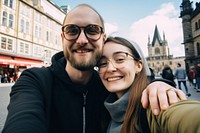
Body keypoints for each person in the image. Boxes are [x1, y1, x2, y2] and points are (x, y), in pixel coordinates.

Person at [2, 4, 186, 133]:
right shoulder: (34, 80)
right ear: (62, 38)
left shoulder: (108, 86)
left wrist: (158, 84)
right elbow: (22, 121)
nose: (82, 40)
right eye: (72, 30)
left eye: (92, 30)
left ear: (102, 38)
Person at [97, 36, 200, 133]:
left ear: (138, 65)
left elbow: (186, 117)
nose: (110, 68)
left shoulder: (156, 103)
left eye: (120, 59)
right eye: (102, 63)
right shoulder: (103, 107)